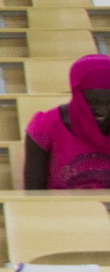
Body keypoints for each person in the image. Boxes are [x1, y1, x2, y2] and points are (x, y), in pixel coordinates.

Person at [25, 55, 110, 190]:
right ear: (77, 95)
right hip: (62, 209)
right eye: (91, 102)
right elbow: (34, 192)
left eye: (109, 102)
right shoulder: (45, 125)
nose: (103, 110)